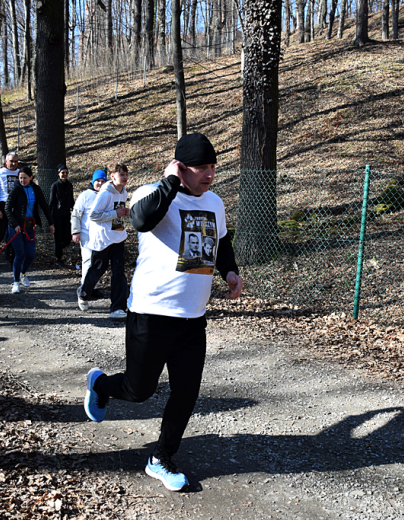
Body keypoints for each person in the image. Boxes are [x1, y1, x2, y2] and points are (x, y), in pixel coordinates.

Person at [82, 133, 243, 492]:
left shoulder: (215, 202)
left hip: (192, 317)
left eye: (213, 167)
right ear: (180, 167)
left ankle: (161, 458)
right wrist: (170, 182)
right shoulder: (152, 194)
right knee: (139, 390)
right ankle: (101, 385)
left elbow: (222, 241)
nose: (209, 174)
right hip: (152, 312)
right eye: (201, 167)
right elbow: (139, 220)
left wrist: (228, 270)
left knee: (186, 392)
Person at [77, 164, 129, 319]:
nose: (125, 177)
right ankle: (83, 293)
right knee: (97, 270)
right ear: (112, 176)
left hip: (118, 237)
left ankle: (117, 308)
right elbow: (94, 215)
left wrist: (124, 213)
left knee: (119, 273)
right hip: (103, 240)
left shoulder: (124, 192)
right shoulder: (105, 193)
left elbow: (117, 213)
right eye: (121, 174)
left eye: (126, 174)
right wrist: (114, 213)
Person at [5, 166, 54, 293]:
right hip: (16, 227)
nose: (22, 180)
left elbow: (44, 205)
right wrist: (14, 223)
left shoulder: (36, 189)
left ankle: (22, 273)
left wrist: (51, 223)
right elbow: (7, 208)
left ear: (31, 177)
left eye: (25, 178)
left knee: (31, 254)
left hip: (29, 225)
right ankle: (16, 282)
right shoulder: (16, 189)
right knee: (20, 254)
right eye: (20, 178)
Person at [71, 169, 107, 295]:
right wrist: (75, 231)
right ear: (93, 181)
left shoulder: (107, 195)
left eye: (103, 181)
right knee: (88, 260)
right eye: (98, 181)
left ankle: (94, 287)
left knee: (98, 262)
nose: (100, 183)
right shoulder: (85, 196)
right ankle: (84, 288)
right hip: (86, 233)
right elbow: (76, 214)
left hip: (101, 234)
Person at [0, 152, 20, 264]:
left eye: (15, 161)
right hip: (3, 205)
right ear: (6, 161)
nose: (13, 163)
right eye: (11, 161)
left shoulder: (19, 173)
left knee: (15, 233)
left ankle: (14, 260)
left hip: (15, 207)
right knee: (0, 234)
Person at [49, 164, 75, 268]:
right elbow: (51, 201)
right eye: (62, 173)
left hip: (66, 215)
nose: (64, 175)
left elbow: (71, 200)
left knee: (68, 237)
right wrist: (49, 217)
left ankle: (58, 248)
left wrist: (76, 210)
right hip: (57, 215)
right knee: (58, 237)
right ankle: (58, 258)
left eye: (66, 173)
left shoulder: (69, 185)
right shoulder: (55, 185)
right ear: (59, 174)